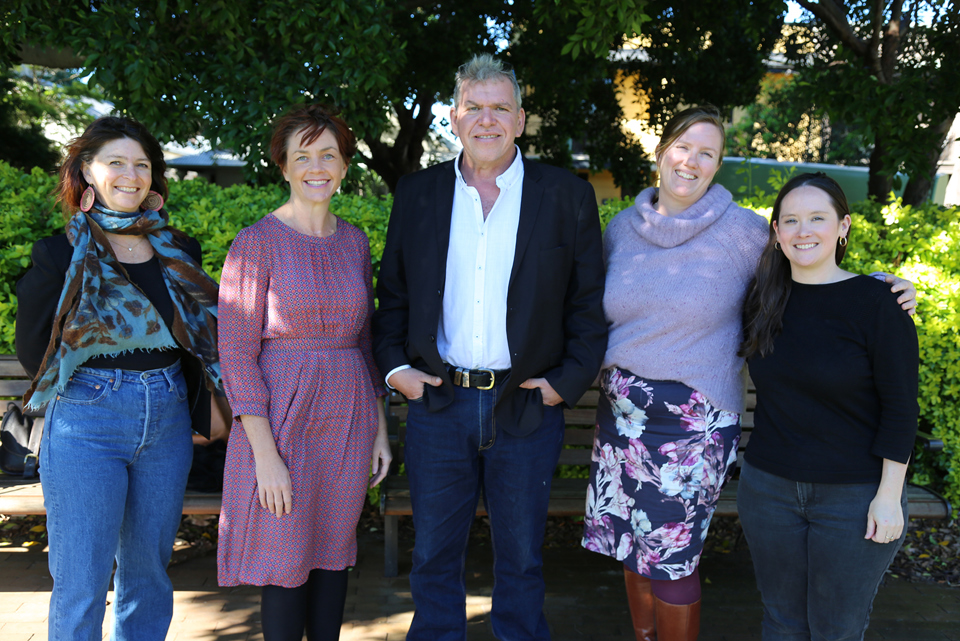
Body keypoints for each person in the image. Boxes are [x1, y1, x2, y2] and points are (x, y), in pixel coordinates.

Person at [581, 107, 917, 641]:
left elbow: (811, 263)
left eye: (708, 153)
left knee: (672, 557)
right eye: (684, 147)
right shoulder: (621, 228)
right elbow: (589, 312)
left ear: (717, 167)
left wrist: (883, 286)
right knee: (632, 545)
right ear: (662, 150)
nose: (692, 160)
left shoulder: (743, 232)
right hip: (619, 418)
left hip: (692, 425)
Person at [373, 54, 607, 640]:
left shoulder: (565, 196)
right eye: (473, 107)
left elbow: (587, 305)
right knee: (433, 556)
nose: (486, 120)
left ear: (521, 119)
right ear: (454, 117)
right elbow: (392, 296)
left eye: (499, 107)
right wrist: (397, 369)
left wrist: (564, 384)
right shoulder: (418, 193)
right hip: (438, 403)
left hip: (525, 403)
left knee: (523, 558)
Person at [15, 116, 221, 641]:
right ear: (87, 170)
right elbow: (32, 346)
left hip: (168, 416)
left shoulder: (179, 249)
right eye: (116, 162)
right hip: (87, 420)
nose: (131, 175)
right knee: (81, 580)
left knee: (148, 576)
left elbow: (200, 337)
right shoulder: (59, 253)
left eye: (142, 165)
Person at [216, 104, 391, 641]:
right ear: (285, 167)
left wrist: (381, 429)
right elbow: (237, 356)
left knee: (334, 556)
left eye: (329, 155)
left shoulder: (355, 240)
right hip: (282, 426)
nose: (317, 166)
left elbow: (364, 342)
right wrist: (265, 458)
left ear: (343, 167)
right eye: (303, 156)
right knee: (285, 563)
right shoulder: (257, 241)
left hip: (347, 422)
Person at [737, 173, 918, 640]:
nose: (804, 230)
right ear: (776, 232)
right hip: (768, 490)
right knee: (781, 621)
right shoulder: (761, 300)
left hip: (853, 497)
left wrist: (889, 496)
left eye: (818, 218)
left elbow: (901, 408)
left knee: (836, 628)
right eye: (791, 220)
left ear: (843, 226)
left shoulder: (879, 303)